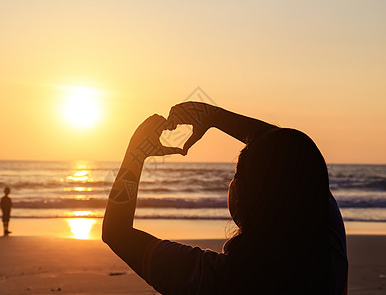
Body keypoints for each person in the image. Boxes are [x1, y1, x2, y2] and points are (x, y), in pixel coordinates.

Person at [102, 102, 348, 294]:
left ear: (241, 199)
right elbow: (297, 162)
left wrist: (136, 154)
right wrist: (214, 116)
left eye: (236, 175)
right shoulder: (329, 252)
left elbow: (116, 232)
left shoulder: (216, 279)